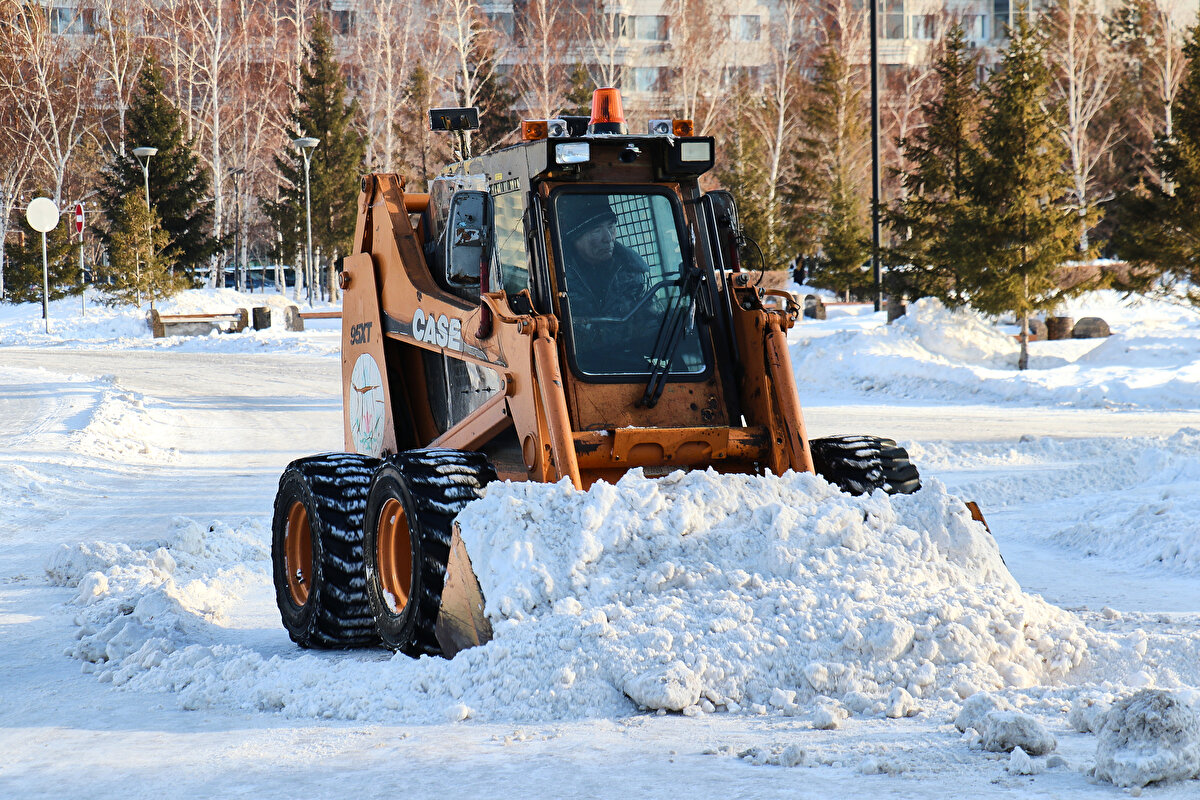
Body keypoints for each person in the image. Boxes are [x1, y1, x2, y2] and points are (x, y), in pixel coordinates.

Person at [559, 195, 652, 323]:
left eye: (611, 227)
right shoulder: (555, 275)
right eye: (596, 230)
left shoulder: (633, 273)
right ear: (575, 238)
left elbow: (650, 319)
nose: (608, 238)